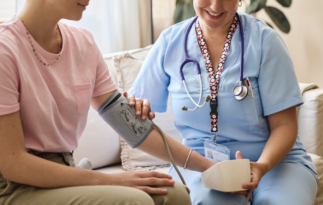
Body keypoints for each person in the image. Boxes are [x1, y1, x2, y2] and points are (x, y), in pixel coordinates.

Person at [0, 0, 217, 204]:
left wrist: (211, 167)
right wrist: (112, 180)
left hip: (65, 173)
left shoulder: (83, 43)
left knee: (173, 194)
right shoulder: (5, 50)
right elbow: (13, 164)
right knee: (136, 201)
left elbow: (134, 129)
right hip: (16, 187)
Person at [128, 0, 319, 204]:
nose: (215, 6)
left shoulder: (265, 40)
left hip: (275, 162)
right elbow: (136, 113)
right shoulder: (169, 42)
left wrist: (262, 166)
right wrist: (136, 106)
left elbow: (285, 124)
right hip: (198, 162)